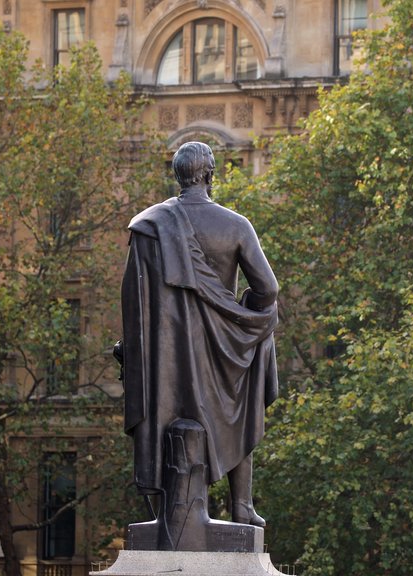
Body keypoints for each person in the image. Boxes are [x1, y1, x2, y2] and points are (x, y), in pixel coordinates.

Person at [120, 141, 278, 528]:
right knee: (243, 400)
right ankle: (241, 503)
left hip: (167, 351)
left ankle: (164, 510)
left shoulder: (148, 226)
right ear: (209, 175)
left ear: (178, 176)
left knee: (162, 411)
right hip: (223, 347)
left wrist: (134, 348)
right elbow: (268, 290)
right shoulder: (236, 225)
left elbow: (131, 296)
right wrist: (242, 314)